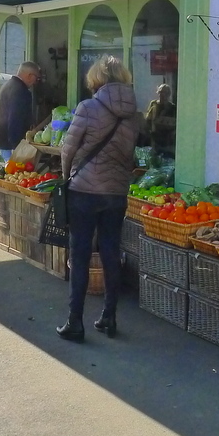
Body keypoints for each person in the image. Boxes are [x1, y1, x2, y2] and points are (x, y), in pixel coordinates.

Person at [56, 56, 140, 342]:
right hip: (116, 192)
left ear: (96, 79)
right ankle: (109, 317)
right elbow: (129, 154)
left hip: (84, 191)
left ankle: (74, 321)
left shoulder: (88, 108)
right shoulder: (134, 114)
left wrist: (67, 176)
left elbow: (68, 149)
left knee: (79, 255)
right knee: (110, 252)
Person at [0, 61, 40, 161]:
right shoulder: (21, 92)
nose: (35, 82)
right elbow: (15, 118)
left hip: (3, 141)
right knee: (14, 174)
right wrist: (17, 146)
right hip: (11, 144)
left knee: (7, 174)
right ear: (29, 75)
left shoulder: (7, 85)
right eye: (36, 78)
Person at [143, 83, 177, 156]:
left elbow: (174, 124)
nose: (162, 95)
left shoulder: (172, 107)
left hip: (167, 139)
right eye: (160, 92)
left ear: (168, 94)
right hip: (155, 138)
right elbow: (148, 119)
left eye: (165, 93)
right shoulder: (153, 104)